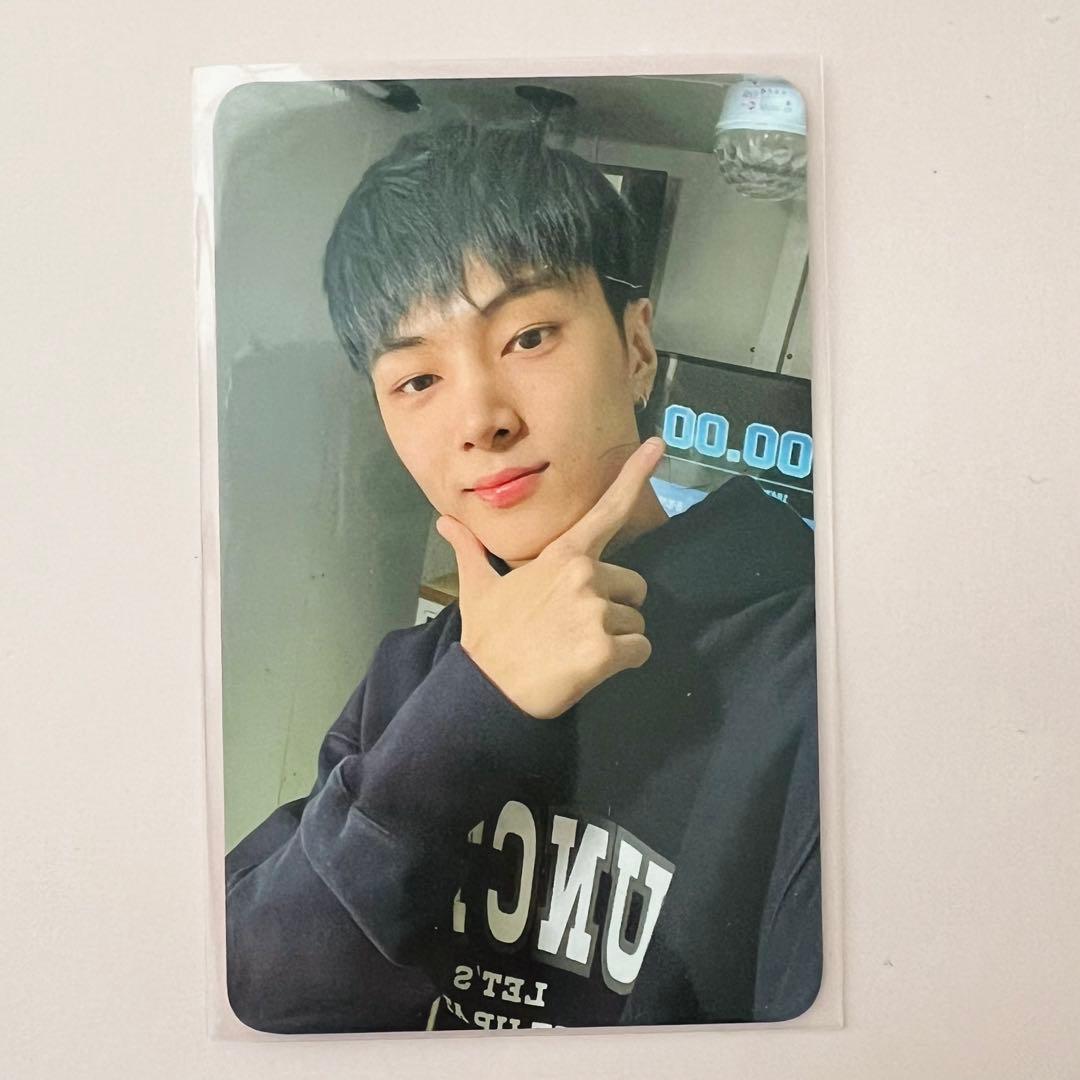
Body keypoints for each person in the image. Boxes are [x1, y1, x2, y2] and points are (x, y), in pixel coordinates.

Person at [224, 122, 821, 1033]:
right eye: (416, 381)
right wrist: (477, 704)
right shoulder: (412, 678)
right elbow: (254, 992)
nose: (480, 419)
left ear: (637, 348)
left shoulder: (811, 674)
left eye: (529, 336)